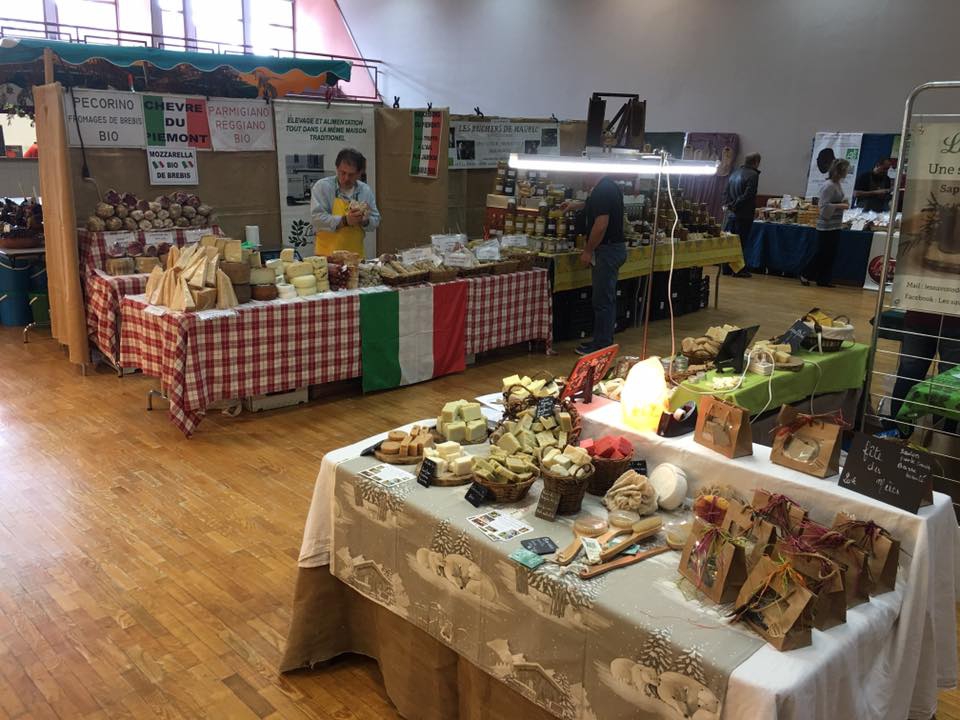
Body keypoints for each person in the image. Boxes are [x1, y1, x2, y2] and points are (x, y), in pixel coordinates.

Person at [561, 176, 627, 355]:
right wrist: (575, 206)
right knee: (605, 298)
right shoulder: (608, 186)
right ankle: (601, 340)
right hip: (613, 249)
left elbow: (601, 225)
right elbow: (595, 206)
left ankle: (602, 345)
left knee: (603, 300)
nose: (582, 177)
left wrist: (588, 250)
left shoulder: (602, 190)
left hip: (607, 250)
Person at [887, 311, 960, 435]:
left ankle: (897, 434)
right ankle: (943, 438)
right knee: (949, 384)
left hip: (919, 316)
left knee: (908, 376)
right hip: (954, 322)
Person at [310, 148, 380, 257]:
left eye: (351, 174)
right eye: (342, 173)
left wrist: (365, 221)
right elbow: (317, 219)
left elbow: (376, 220)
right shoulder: (322, 187)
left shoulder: (365, 190)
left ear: (360, 173)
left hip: (355, 256)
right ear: (337, 168)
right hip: (327, 256)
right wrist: (345, 221)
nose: (346, 178)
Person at [801, 158, 850, 287]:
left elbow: (838, 200)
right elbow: (823, 206)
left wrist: (844, 202)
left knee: (830, 254)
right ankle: (805, 274)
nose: (847, 172)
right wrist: (841, 205)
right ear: (840, 171)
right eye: (846, 169)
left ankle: (823, 279)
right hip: (826, 226)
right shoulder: (828, 186)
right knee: (821, 253)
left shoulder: (837, 184)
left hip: (835, 224)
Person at [721, 152, 761, 278]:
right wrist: (735, 205)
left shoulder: (735, 173)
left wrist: (729, 205)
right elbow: (748, 195)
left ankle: (726, 268)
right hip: (744, 214)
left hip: (731, 214)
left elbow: (726, 192)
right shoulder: (753, 175)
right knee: (740, 243)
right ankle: (738, 270)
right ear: (756, 162)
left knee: (729, 242)